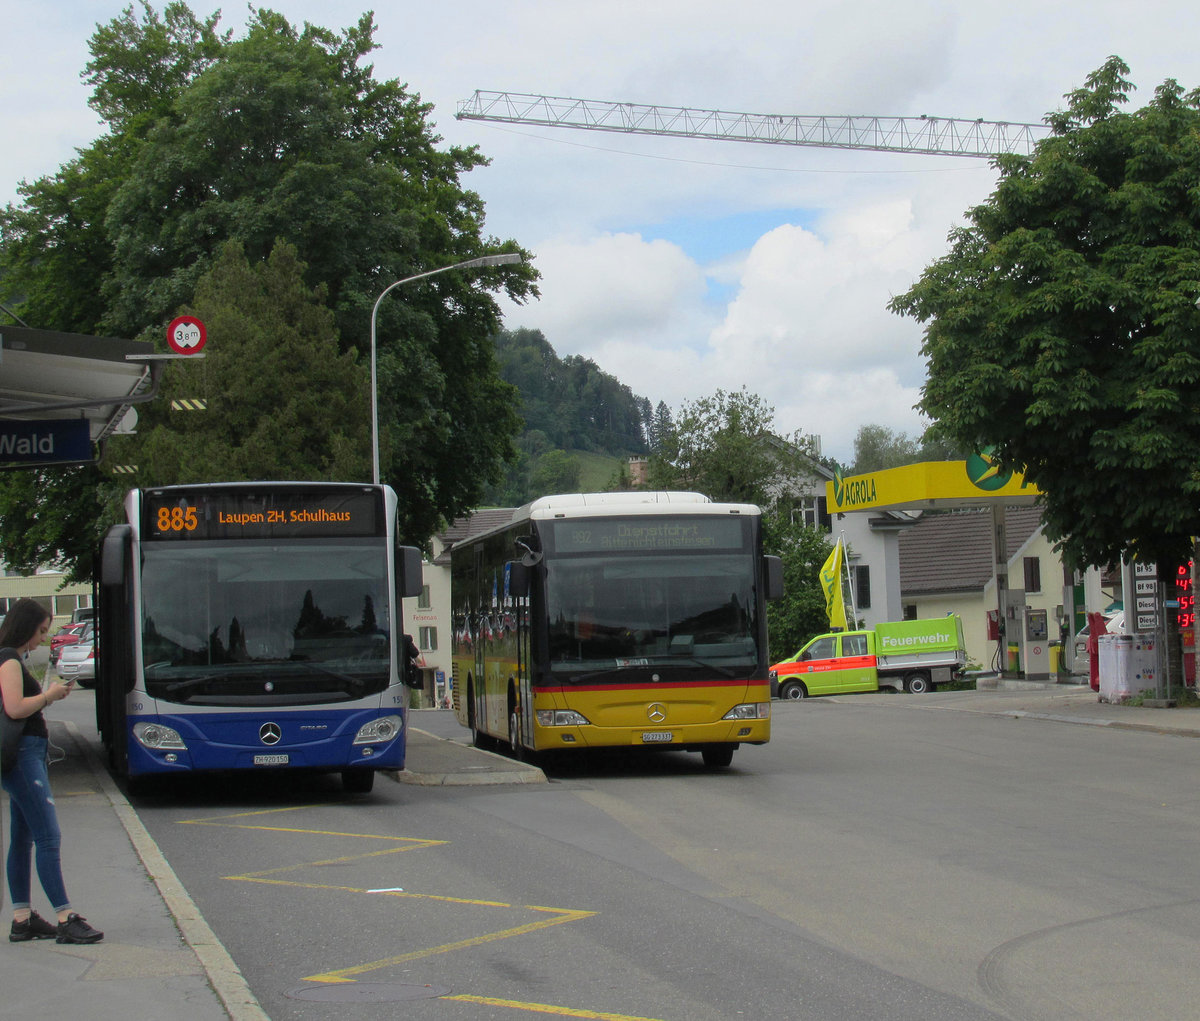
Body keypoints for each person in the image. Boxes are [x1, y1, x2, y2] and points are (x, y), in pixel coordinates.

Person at [0, 598, 103, 944]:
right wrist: (50, 696)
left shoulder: (9, 658)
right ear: (26, 627)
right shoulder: (9, 659)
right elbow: (15, 708)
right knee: (48, 835)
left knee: (24, 837)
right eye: (42, 631)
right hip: (23, 757)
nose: (43, 639)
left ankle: (22, 917)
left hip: (22, 755)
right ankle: (65, 917)